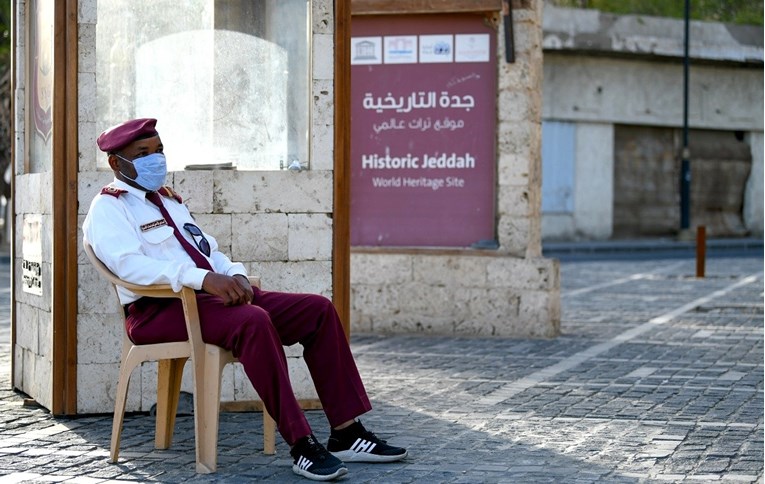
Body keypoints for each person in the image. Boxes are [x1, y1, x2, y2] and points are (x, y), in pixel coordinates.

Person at [83, 118, 407, 481]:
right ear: (116, 163)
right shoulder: (109, 208)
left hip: (207, 301)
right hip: (156, 311)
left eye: (158, 151)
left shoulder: (170, 201)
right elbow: (130, 268)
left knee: (317, 310)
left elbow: (207, 249)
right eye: (142, 154)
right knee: (252, 320)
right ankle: (301, 443)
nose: (155, 160)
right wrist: (204, 279)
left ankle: (346, 433)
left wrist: (233, 273)